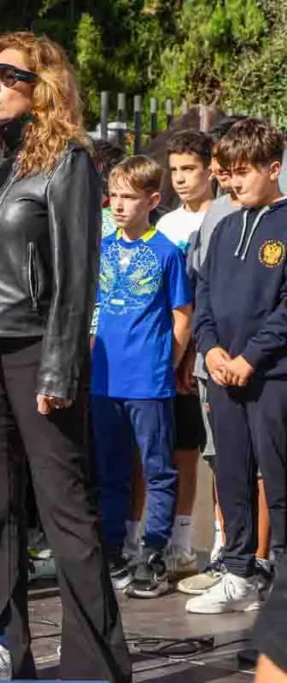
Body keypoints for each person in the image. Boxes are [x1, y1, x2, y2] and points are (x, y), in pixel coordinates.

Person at [0, 33, 131, 680]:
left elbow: (76, 273)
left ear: (42, 87)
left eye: (9, 74)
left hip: (37, 348)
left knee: (65, 510)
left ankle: (97, 665)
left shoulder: (68, 162)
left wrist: (60, 364)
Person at [189, 116, 287, 615]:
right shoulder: (224, 226)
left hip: (272, 377)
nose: (234, 181)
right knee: (232, 474)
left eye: (244, 171)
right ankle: (238, 572)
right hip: (223, 375)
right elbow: (202, 299)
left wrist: (252, 356)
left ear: (274, 168)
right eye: (228, 172)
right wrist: (209, 350)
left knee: (278, 472)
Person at [91, 155, 192, 599]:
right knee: (110, 469)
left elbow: (181, 315)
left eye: (130, 197)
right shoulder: (102, 248)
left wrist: (165, 364)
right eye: (114, 195)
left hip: (148, 379)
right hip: (103, 379)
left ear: (152, 200)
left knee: (158, 469)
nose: (118, 205)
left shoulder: (167, 252)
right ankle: (113, 548)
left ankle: (153, 552)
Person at [153, 130, 215, 576]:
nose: (180, 178)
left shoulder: (221, 218)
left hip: (202, 350)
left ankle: (197, 541)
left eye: (189, 169)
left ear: (211, 169)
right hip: (166, 349)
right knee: (167, 447)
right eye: (174, 170)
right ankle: (164, 539)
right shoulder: (166, 224)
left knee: (199, 450)